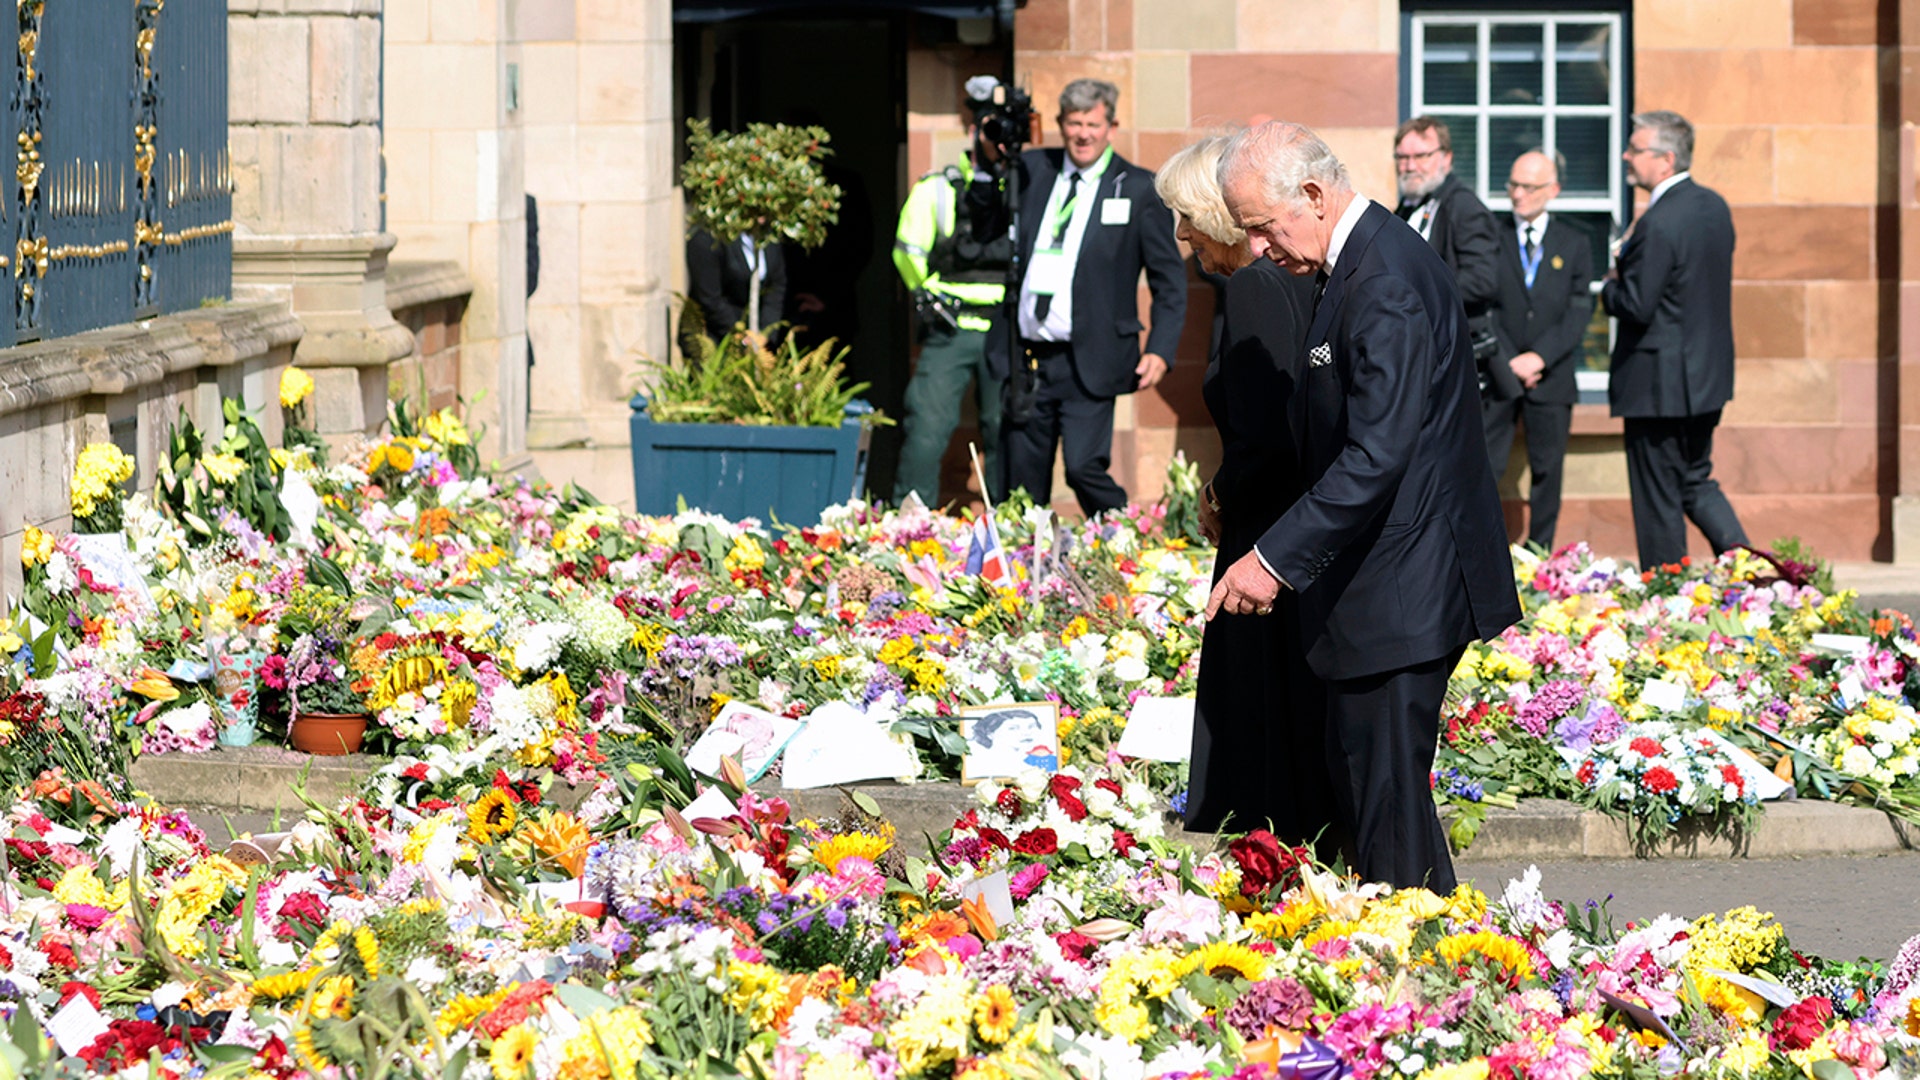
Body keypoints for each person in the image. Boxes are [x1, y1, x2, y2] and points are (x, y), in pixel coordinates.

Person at [1212, 121, 1521, 892]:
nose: (1256, 248)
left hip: (1403, 587)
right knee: (1381, 804)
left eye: (1261, 225)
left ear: (1312, 196)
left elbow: (1377, 452)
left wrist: (1272, 560)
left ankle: (1413, 976)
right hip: (1385, 583)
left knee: (1384, 807)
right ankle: (1428, 958)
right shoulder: (1357, 261)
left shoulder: (1383, 278)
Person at [1153, 136, 1334, 849]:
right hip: (1285, 521)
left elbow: (1267, 424)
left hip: (1265, 525)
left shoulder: (1255, 286)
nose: (1180, 236)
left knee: (1261, 704)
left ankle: (1265, 846)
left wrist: (1218, 490)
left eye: (1185, 217)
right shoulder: (1289, 278)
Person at [990, 77, 1186, 517]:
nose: (1082, 133)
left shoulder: (1137, 188)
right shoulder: (1032, 170)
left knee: (1083, 467)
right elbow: (985, 204)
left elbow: (1169, 279)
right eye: (1074, 123)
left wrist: (1161, 348)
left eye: (1092, 124)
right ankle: (1023, 571)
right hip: (1027, 359)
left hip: (1091, 359)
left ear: (1111, 127)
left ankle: (1124, 539)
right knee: (1020, 485)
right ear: (1060, 124)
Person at [1603, 110, 1748, 570]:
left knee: (1657, 498)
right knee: (1695, 480)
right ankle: (1752, 571)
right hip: (1705, 378)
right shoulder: (1713, 206)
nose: (1627, 156)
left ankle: (1665, 597)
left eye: (1635, 149)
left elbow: (1636, 303)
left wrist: (1610, 280)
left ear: (1665, 159)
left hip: (1657, 385)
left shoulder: (1659, 220)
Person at [892, 75, 1014, 507]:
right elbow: (908, 249)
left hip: (1006, 327)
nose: (997, 140)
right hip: (951, 323)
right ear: (971, 130)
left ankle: (1010, 524)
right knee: (926, 424)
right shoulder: (938, 188)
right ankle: (910, 522)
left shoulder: (1026, 190)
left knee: (1007, 426)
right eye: (988, 129)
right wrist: (926, 291)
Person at [1484, 148, 1594, 551]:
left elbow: (1580, 310)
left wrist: (1540, 357)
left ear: (1553, 190)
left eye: (1529, 187)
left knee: (1549, 469)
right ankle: (1484, 549)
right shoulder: (1491, 237)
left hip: (1552, 376)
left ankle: (1540, 554)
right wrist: (1510, 358)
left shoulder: (1576, 242)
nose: (1517, 195)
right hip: (1498, 372)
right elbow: (1482, 305)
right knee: (1486, 467)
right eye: (1513, 184)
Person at [1393, 117, 1505, 397]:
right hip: (1416, 354)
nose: (1410, 166)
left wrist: (1415, 292)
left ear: (1447, 157)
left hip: (1457, 357)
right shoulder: (1407, 207)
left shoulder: (1464, 207)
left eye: (1422, 156)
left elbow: (1482, 280)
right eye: (1402, 157)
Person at [680, 228, 786, 351]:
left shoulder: (769, 238)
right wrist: (741, 336)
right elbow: (709, 298)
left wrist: (765, 334)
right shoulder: (707, 239)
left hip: (757, 341)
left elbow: (776, 286)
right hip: (713, 339)